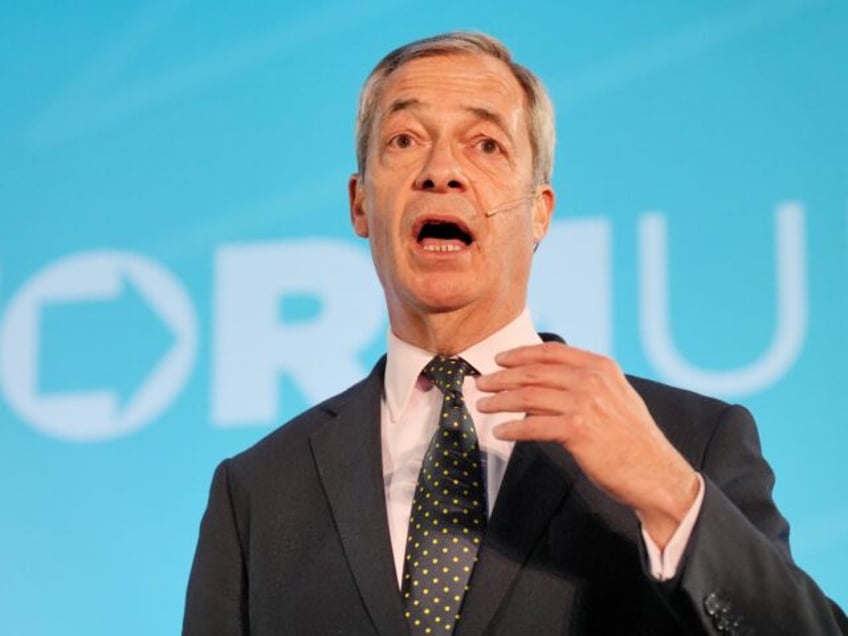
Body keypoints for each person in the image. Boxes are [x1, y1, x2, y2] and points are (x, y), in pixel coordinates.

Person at [183, 32, 846, 635]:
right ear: (361, 203)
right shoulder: (259, 493)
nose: (440, 171)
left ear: (539, 212)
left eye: (486, 145)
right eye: (405, 139)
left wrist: (670, 494)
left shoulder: (691, 441)